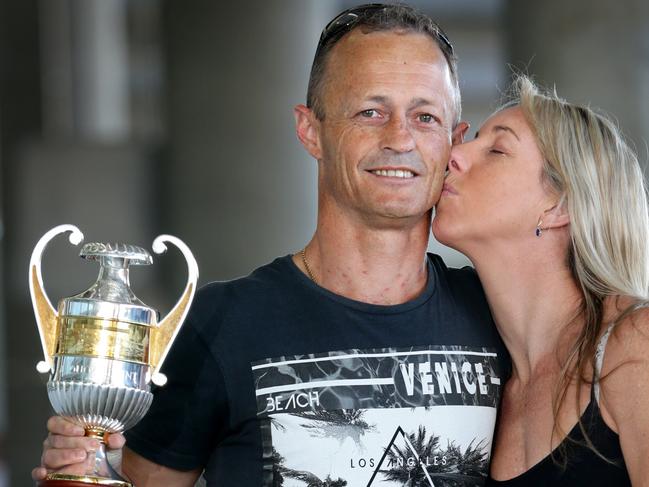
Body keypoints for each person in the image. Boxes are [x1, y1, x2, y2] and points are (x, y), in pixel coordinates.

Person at [33, 4, 509, 486]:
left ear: (455, 140)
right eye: (370, 111)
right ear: (310, 130)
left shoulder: (498, 314)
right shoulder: (219, 323)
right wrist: (78, 474)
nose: (400, 138)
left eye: (425, 117)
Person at [433, 75, 649, 485]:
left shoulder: (636, 344)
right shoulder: (484, 383)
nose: (454, 153)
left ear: (558, 204)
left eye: (496, 149)